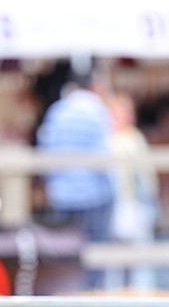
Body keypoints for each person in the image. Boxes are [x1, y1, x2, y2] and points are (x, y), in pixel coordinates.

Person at [36, 72, 115, 290]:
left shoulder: (57, 111)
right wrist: (111, 191)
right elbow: (104, 157)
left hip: (62, 195)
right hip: (93, 195)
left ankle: (65, 295)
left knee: (63, 253)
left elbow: (46, 152)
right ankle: (90, 296)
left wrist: (53, 186)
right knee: (94, 255)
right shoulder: (97, 110)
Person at [107, 94, 158, 291]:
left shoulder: (132, 139)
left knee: (137, 256)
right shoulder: (114, 140)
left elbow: (144, 177)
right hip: (118, 204)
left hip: (133, 203)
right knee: (116, 258)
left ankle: (141, 294)